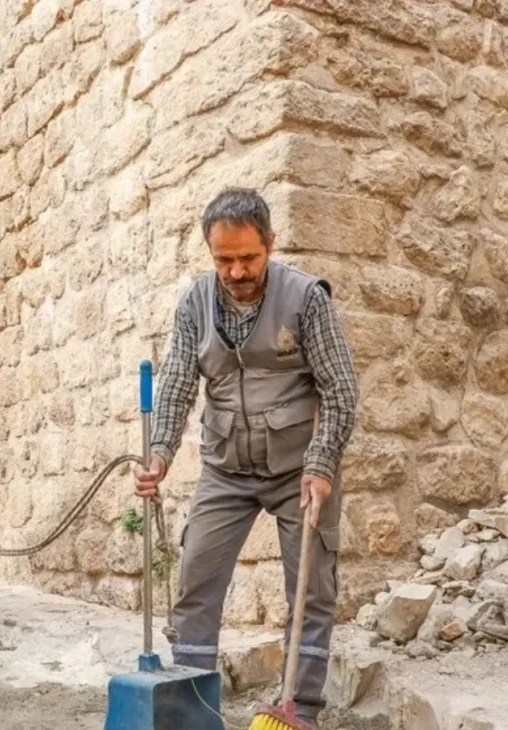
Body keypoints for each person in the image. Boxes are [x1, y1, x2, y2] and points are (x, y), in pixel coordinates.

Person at [134, 187, 359, 728]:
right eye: (224, 259)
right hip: (225, 468)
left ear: (270, 244)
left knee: (311, 590)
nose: (235, 271)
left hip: (298, 470)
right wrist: (160, 453)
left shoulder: (306, 300)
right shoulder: (194, 303)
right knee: (196, 581)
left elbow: (342, 390)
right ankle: (192, 707)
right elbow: (177, 385)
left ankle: (298, 710)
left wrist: (322, 462)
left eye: (248, 258)